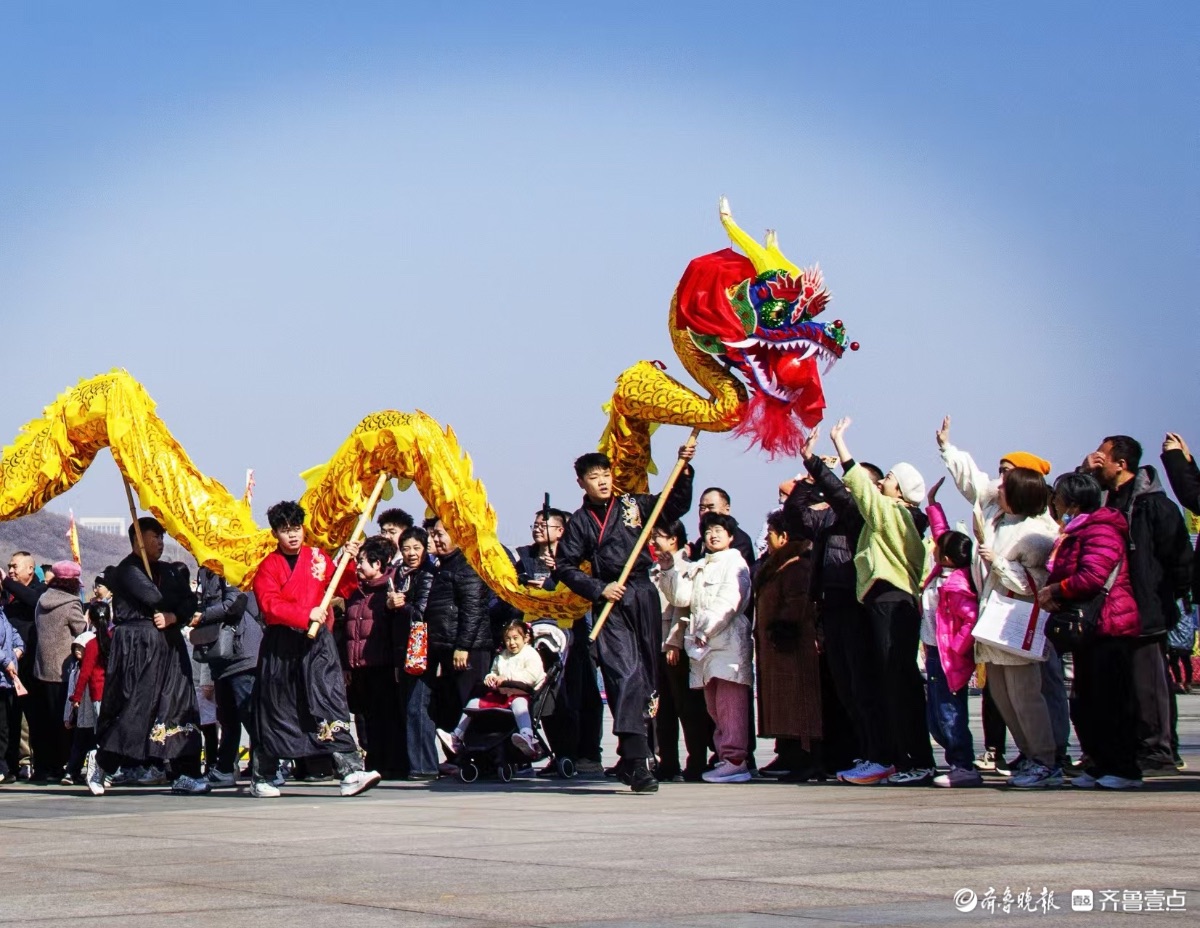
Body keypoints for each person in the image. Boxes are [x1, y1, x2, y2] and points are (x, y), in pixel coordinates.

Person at [553, 444, 695, 793]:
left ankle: (632, 757)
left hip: (642, 594)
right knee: (625, 674)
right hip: (611, 601)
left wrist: (685, 470)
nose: (602, 482)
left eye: (606, 474)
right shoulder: (580, 522)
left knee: (646, 676)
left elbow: (673, 506)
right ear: (581, 482)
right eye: (594, 477)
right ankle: (638, 759)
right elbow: (565, 565)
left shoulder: (634, 504)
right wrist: (599, 588)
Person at [935, 418, 1067, 773]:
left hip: (1018, 623)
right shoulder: (997, 517)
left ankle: (1046, 760)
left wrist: (999, 563)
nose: (998, 485)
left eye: (1006, 478)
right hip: (992, 621)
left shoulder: (1038, 532)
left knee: (1027, 697)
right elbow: (973, 483)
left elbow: (1034, 584)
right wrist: (948, 449)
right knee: (1004, 699)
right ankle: (1029, 756)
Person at [826, 418, 934, 786]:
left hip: (891, 598)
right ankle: (896, 759)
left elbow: (863, 493)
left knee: (899, 682)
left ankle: (917, 761)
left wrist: (841, 444)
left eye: (888, 477)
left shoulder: (895, 513)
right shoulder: (897, 516)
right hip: (883, 601)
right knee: (889, 682)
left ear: (900, 490)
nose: (882, 481)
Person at [247, 501, 380, 799]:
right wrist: (304, 614)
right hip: (282, 646)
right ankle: (262, 775)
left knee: (330, 700)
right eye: (285, 530)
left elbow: (342, 587)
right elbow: (269, 605)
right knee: (277, 709)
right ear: (275, 533)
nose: (293, 535)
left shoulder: (318, 557)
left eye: (296, 528)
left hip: (318, 644)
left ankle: (350, 770)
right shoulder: (268, 566)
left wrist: (348, 560)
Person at [1084, 435, 1193, 776]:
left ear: (1121, 464)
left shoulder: (1154, 505)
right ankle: (1126, 750)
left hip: (1146, 608)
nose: (1096, 460)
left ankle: (1158, 751)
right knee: (1117, 686)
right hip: (1109, 611)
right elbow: (1069, 502)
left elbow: (1179, 558)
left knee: (1149, 685)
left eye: (1102, 456)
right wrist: (1084, 472)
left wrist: (1166, 597)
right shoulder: (1101, 501)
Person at [85, 518, 207, 796]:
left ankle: (185, 772)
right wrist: (175, 603)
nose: (160, 543)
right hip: (139, 646)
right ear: (138, 540)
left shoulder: (168, 569)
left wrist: (175, 616)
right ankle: (103, 760)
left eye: (162, 537)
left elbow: (190, 601)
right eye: (154, 537)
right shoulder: (127, 570)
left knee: (179, 704)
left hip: (170, 644)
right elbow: (156, 597)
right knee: (138, 707)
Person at [1037, 473, 1141, 789]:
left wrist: (1057, 590)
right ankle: (1099, 762)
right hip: (1091, 629)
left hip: (1109, 625)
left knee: (1110, 700)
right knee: (1087, 701)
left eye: (1058, 497)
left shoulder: (1101, 529)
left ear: (1072, 501)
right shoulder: (1077, 531)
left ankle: (1123, 768)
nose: (1054, 502)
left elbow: (1093, 577)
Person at [791, 443, 887, 780]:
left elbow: (844, 497)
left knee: (863, 685)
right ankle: (865, 752)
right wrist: (807, 481)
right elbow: (796, 516)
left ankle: (879, 753)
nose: (842, 490)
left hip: (857, 603)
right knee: (845, 687)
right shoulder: (828, 517)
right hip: (830, 604)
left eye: (851, 485)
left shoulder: (865, 513)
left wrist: (815, 464)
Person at [659, 512, 753, 783]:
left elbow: (729, 601)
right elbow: (681, 597)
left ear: (730, 536)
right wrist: (669, 571)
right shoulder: (701, 566)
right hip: (704, 647)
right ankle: (726, 758)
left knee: (730, 705)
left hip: (728, 644)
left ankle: (736, 760)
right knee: (715, 707)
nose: (713, 535)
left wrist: (704, 629)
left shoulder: (735, 564)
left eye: (719, 531)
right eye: (709, 531)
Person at [752, 508, 823, 781]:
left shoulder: (796, 565)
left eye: (770, 533)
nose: (766, 539)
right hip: (777, 649)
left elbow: (799, 600)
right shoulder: (778, 564)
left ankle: (807, 758)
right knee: (783, 703)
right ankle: (789, 753)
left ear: (783, 536)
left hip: (795, 646)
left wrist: (785, 626)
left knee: (800, 703)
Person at [921, 480, 982, 788]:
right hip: (933, 653)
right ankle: (957, 761)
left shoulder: (956, 585)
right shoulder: (941, 572)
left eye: (938, 548)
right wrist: (932, 503)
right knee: (935, 715)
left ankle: (963, 765)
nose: (933, 546)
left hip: (947, 659)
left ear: (946, 557)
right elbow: (940, 532)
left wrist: (956, 649)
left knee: (949, 713)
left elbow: (971, 620)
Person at [650, 519, 713, 782]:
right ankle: (668, 762)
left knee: (687, 708)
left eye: (658, 536)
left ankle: (696, 761)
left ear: (673, 539)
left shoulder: (687, 567)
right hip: (655, 643)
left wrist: (674, 642)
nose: (653, 541)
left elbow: (682, 608)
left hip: (675, 645)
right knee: (662, 709)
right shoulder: (654, 568)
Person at [423, 519, 492, 753]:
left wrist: (463, 646)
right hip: (447, 648)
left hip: (468, 650)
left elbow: (473, 610)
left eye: (440, 534)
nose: (435, 539)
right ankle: (458, 759)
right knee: (451, 706)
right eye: (433, 534)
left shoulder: (467, 565)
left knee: (471, 704)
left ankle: (481, 757)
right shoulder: (442, 565)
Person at [192, 566, 261, 788]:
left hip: (242, 652)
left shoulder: (229, 566)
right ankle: (224, 769)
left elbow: (235, 602)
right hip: (221, 656)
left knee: (249, 714)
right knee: (227, 716)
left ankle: (268, 768)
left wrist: (203, 616)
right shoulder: (205, 572)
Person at [340, 535, 403, 779]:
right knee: (367, 718)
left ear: (377, 564)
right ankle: (374, 762)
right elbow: (347, 630)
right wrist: (347, 664)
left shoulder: (390, 590)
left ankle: (392, 764)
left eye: (362, 561)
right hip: (359, 666)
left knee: (386, 717)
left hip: (381, 663)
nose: (358, 566)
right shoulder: (355, 591)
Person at [438, 619, 547, 759]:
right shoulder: (502, 656)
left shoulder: (530, 654)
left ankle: (527, 736)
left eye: (515, 638)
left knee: (519, 705)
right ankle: (456, 736)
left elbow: (531, 676)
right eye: (508, 639)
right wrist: (490, 678)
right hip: (501, 695)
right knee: (473, 703)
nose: (511, 643)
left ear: (526, 638)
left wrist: (507, 678)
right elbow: (494, 671)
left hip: (521, 693)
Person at [31, 561, 88, 781]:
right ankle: (64, 766)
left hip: (41, 669)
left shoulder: (42, 600)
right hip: (64, 670)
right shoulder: (72, 604)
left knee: (44, 722)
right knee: (65, 722)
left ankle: (45, 767)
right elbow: (82, 632)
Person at [390, 526, 436, 779]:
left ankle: (425, 766)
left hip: (421, 649)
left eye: (416, 548)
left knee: (418, 708)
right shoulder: (398, 575)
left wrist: (401, 604)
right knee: (407, 707)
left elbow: (421, 613)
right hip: (403, 649)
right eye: (406, 548)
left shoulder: (428, 574)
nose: (411, 553)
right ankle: (414, 764)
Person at [2, 552, 46, 779]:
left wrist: (6, 582)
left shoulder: (40, 591)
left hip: (31, 663)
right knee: (9, 717)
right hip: (7, 666)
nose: (10, 570)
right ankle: (10, 764)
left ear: (30, 569)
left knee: (33, 717)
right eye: (8, 567)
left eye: (15, 566)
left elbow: (33, 600)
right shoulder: (7, 594)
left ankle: (37, 762)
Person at [68, 605, 110, 787]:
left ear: (90, 620)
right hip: (114, 694)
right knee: (109, 733)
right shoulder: (114, 639)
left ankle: (97, 771)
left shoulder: (92, 644)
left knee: (99, 734)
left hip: (97, 694)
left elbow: (85, 673)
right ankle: (108, 773)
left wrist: (76, 697)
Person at [0, 603, 24, 784]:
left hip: (7, 680)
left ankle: (7, 766)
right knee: (1, 726)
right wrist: (6, 661)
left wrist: (19, 648)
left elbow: (14, 634)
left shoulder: (3, 615)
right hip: (3, 674)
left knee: (8, 724)